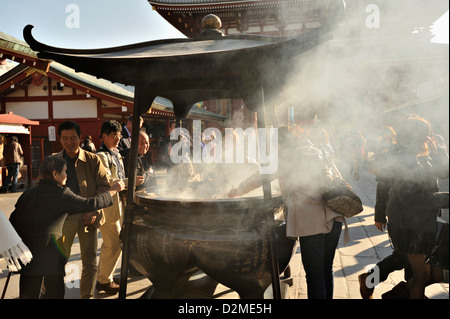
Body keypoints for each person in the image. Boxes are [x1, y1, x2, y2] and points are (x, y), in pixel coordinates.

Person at [228, 126, 344, 299]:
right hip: (335, 218)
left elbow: (261, 176)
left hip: (312, 224)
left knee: (315, 276)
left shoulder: (287, 156)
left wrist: (236, 190)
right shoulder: (315, 148)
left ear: (278, 144)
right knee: (326, 270)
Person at [9, 155, 124, 299]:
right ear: (55, 174)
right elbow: (90, 204)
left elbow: (12, 221)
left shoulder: (27, 194)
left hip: (27, 258)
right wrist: (113, 191)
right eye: (64, 172)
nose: (66, 176)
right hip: (51, 260)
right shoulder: (61, 194)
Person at [381, 116, 448, 298]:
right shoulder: (405, 160)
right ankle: (394, 293)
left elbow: (444, 171)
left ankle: (395, 294)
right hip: (411, 228)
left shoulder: (417, 156)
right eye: (426, 135)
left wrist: (438, 151)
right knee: (420, 277)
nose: (428, 139)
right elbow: (411, 199)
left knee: (423, 274)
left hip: (418, 224)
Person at [56, 120, 112, 299]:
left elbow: (104, 187)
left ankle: (86, 296)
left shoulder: (93, 159)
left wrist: (94, 210)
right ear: (60, 139)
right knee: (57, 260)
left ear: (80, 138)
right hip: (64, 218)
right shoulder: (53, 161)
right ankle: (49, 293)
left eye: (73, 138)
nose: (69, 142)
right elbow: (43, 190)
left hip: (89, 216)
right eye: (64, 138)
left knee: (89, 262)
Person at [95, 120, 142, 294]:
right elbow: (108, 182)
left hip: (117, 205)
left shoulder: (115, 153)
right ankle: (103, 281)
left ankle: (103, 276)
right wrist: (131, 182)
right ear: (105, 136)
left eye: (119, 136)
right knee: (114, 243)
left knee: (110, 243)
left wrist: (130, 182)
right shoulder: (101, 156)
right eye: (114, 136)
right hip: (107, 205)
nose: (117, 139)